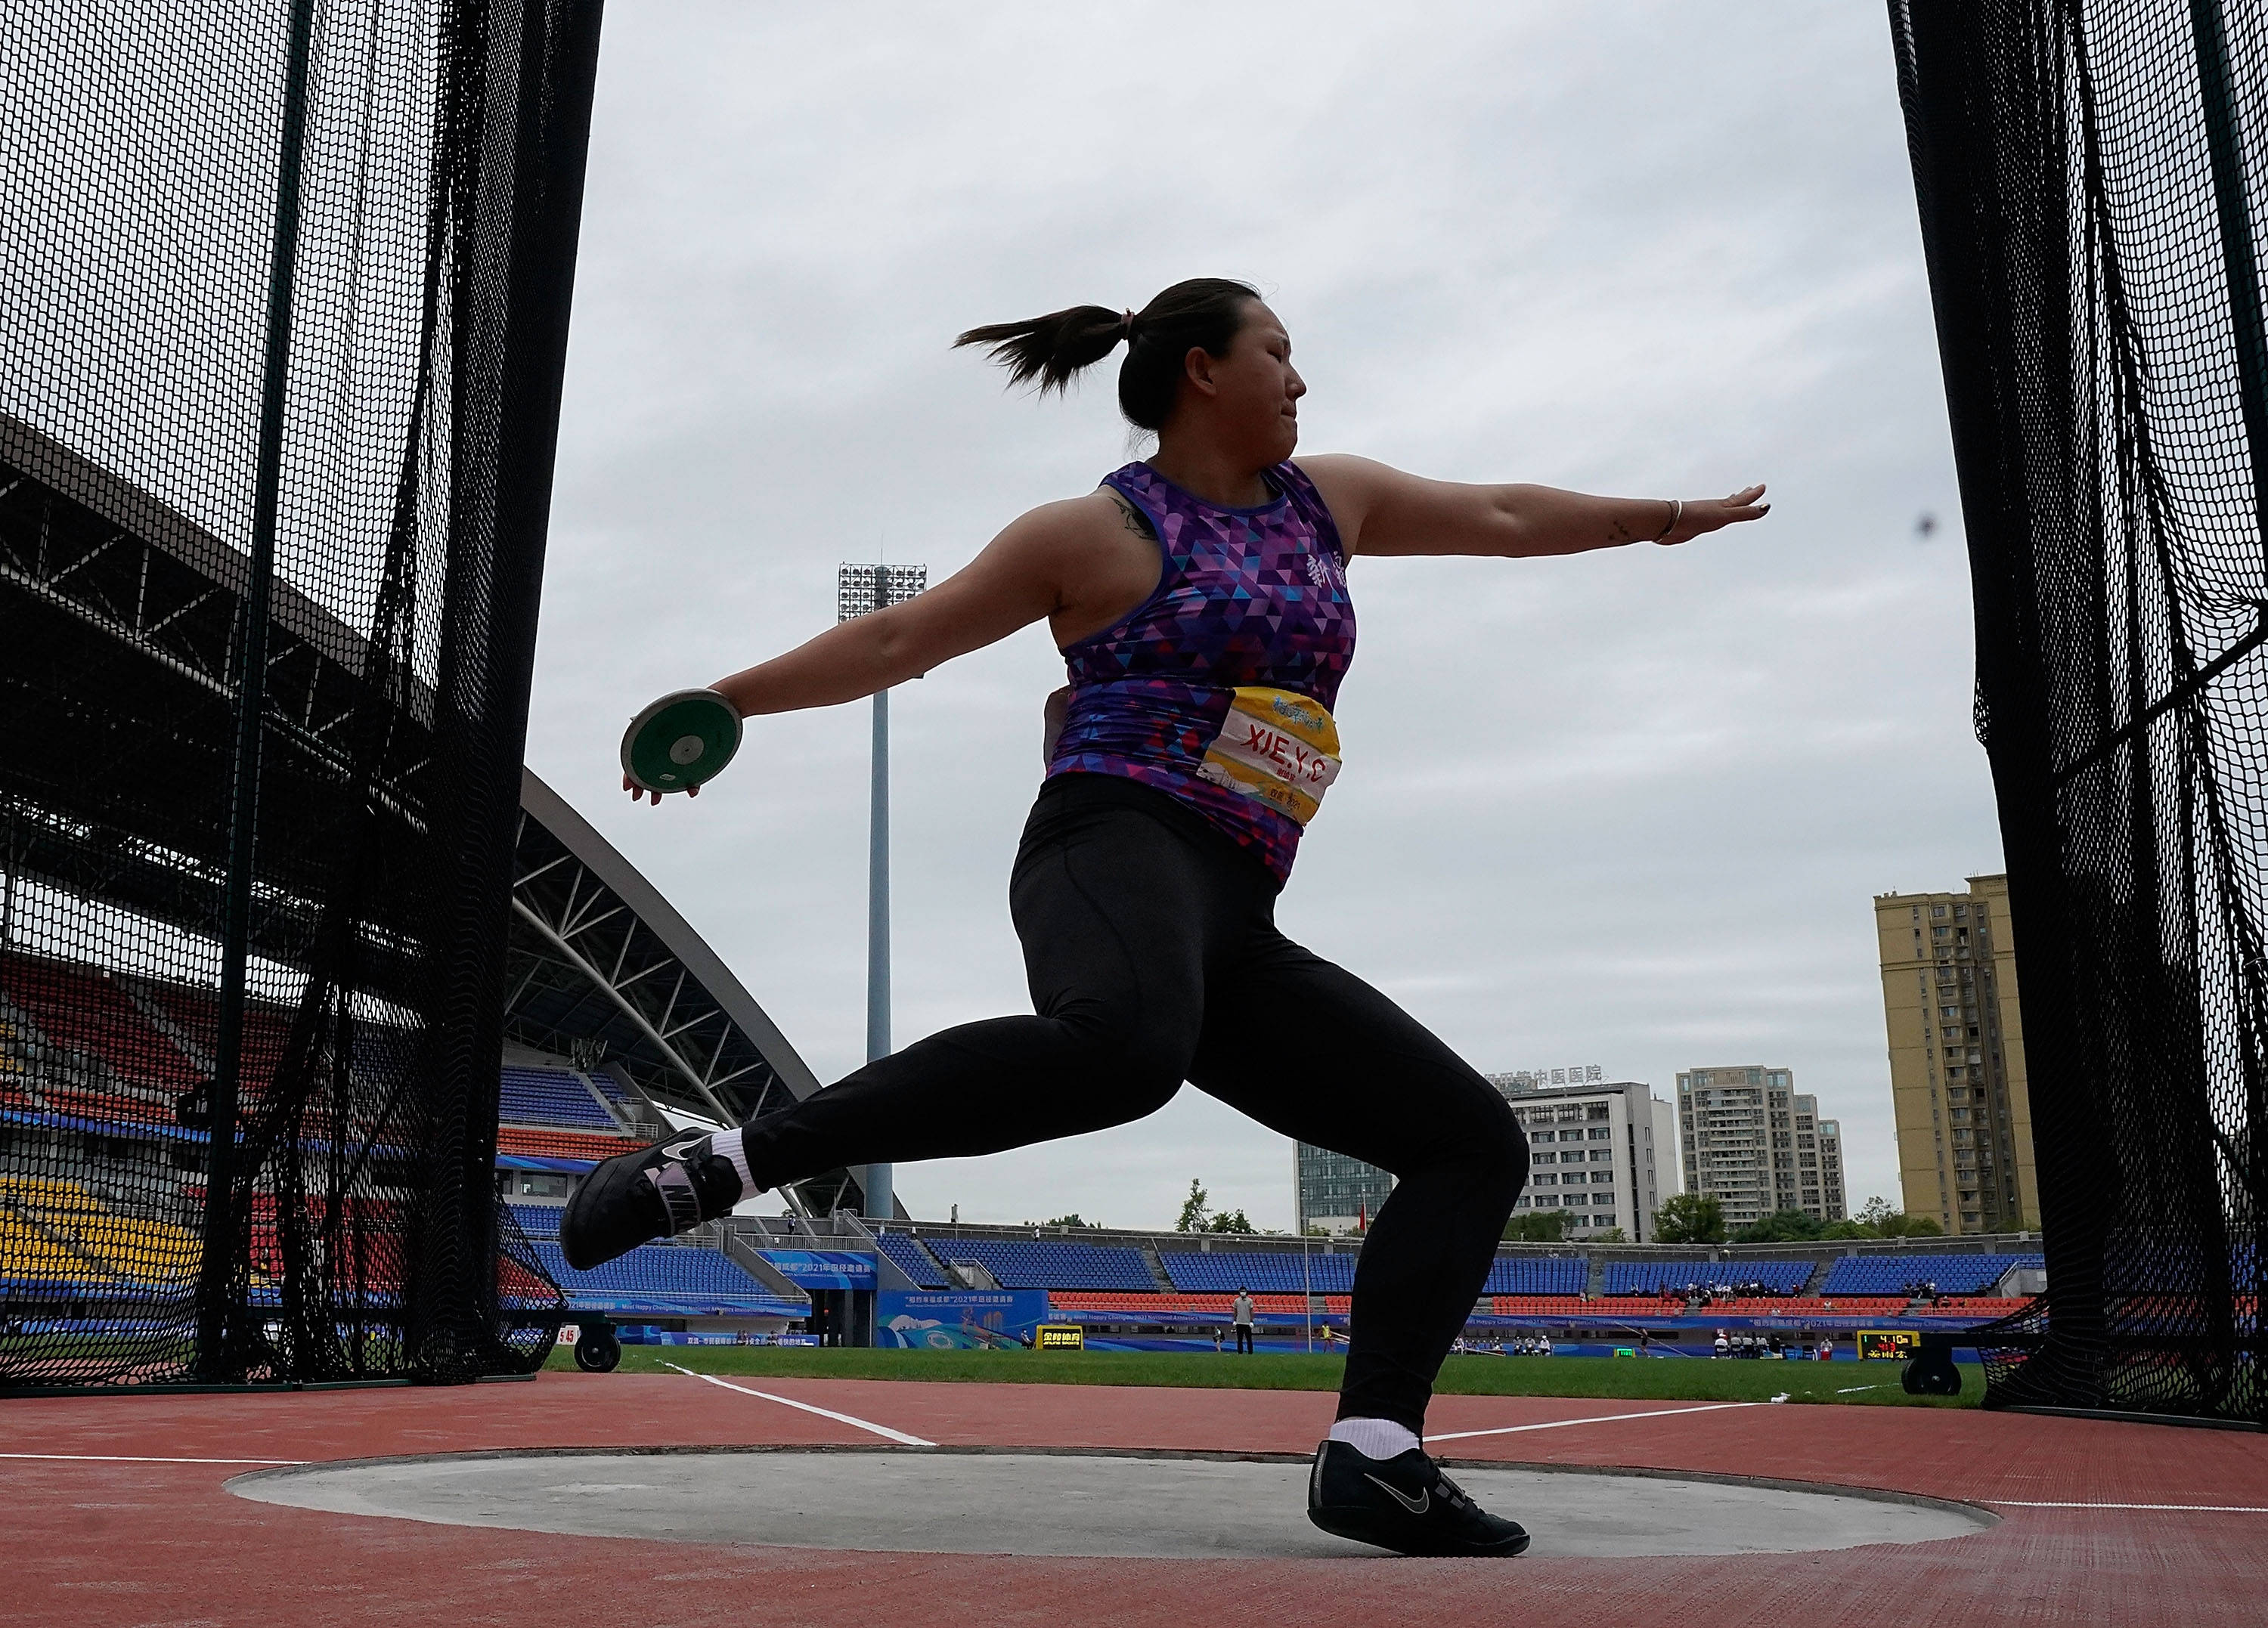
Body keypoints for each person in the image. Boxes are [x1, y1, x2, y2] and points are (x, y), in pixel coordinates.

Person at [561, 277, 1766, 1559]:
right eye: (1279, 353)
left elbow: (1504, 512)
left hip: (1234, 909)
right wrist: (730, 700)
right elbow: (901, 637)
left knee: (1468, 1138)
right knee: (1126, 1047)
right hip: (1108, 844)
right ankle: (717, 1166)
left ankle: (1377, 1451)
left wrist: (1663, 518)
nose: (1301, 380)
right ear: (1203, 370)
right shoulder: (1097, 532)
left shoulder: (1332, 501)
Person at [1232, 1286, 1256, 1355]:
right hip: (1239, 1322)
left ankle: (1250, 1352)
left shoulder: (1249, 1301)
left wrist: (1251, 1321)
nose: (1243, 1293)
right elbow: (1235, 1311)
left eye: (1244, 1291)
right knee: (1240, 1339)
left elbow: (1251, 1311)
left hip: (1247, 1323)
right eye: (1241, 1291)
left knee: (1249, 1339)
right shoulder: (1237, 1301)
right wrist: (1234, 1320)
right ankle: (1240, 1352)